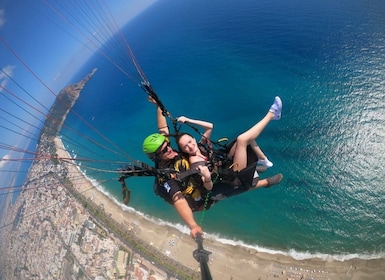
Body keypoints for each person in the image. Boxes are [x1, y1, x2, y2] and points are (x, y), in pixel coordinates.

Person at [142, 97, 283, 238]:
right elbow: (179, 200)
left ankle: (257, 166)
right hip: (204, 195)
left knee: (240, 143)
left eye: (168, 145)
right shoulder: (167, 179)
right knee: (239, 180)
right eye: (164, 150)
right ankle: (265, 181)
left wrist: (158, 107)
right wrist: (193, 225)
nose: (169, 149)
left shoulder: (176, 152)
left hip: (213, 173)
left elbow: (163, 130)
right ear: (156, 156)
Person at [176, 96, 282, 187]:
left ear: (194, 139)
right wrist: (207, 177)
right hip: (233, 176)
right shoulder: (195, 163)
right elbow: (207, 185)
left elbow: (209, 127)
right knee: (242, 139)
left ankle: (262, 159)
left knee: (242, 137)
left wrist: (188, 120)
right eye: (185, 146)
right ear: (183, 150)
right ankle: (272, 114)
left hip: (227, 161)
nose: (190, 146)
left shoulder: (200, 146)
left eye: (190, 141)